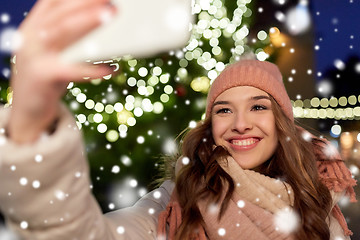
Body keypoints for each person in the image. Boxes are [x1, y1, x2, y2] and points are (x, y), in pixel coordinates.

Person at [0, 0, 356, 240]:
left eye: (259, 107)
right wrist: (32, 126)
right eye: (224, 109)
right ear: (210, 124)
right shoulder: (179, 200)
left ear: (283, 123)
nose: (240, 123)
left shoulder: (314, 198)